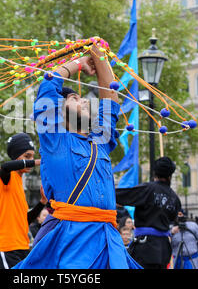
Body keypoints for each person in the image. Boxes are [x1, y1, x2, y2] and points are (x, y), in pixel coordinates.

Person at [13, 43, 141, 269]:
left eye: (82, 99)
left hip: (108, 240)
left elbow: (110, 99)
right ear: (59, 112)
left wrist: (98, 53)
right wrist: (79, 64)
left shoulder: (100, 139)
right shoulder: (55, 138)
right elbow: (49, 84)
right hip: (73, 239)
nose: (84, 101)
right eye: (75, 99)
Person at [0, 132, 48, 269]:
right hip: (8, 246)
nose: (30, 160)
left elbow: (26, 220)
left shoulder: (19, 181)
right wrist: (37, 162)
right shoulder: (6, 175)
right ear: (16, 157)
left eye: (32, 157)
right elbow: (5, 166)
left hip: (22, 246)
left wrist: (42, 202)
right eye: (27, 156)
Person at [116, 156, 182, 269]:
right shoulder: (175, 198)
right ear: (170, 175)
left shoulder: (148, 189)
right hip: (164, 249)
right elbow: (173, 218)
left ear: (154, 173)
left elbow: (122, 196)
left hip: (145, 247)